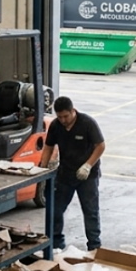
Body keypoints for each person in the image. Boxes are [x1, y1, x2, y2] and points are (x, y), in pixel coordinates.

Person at [40, 96, 106, 251]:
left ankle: (94, 246)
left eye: (66, 116)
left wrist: (88, 165)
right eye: (60, 116)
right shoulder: (56, 126)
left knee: (90, 211)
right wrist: (42, 168)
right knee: (55, 209)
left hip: (87, 175)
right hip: (65, 174)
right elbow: (48, 147)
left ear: (73, 111)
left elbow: (100, 146)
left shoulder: (87, 123)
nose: (63, 120)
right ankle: (55, 243)